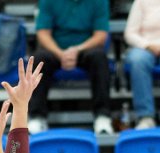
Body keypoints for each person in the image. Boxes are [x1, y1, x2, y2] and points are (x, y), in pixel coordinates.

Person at [28, 0, 113, 135]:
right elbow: (43, 33)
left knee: (99, 58)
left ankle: (102, 117)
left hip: (86, 49)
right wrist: (60, 53)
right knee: (39, 59)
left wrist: (77, 50)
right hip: (56, 49)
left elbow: (101, 36)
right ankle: (37, 117)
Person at [124, 0, 160, 130]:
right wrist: (148, 45)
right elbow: (130, 33)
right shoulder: (141, 2)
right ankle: (145, 117)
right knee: (137, 60)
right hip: (145, 47)